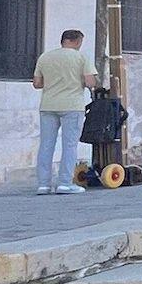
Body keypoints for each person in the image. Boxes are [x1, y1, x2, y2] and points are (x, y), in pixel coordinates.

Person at [31, 28, 97, 195]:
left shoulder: (45, 57)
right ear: (77, 41)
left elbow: (37, 83)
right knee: (69, 145)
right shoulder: (82, 57)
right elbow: (90, 82)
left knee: (46, 145)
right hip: (72, 106)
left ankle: (43, 185)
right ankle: (65, 183)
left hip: (48, 105)